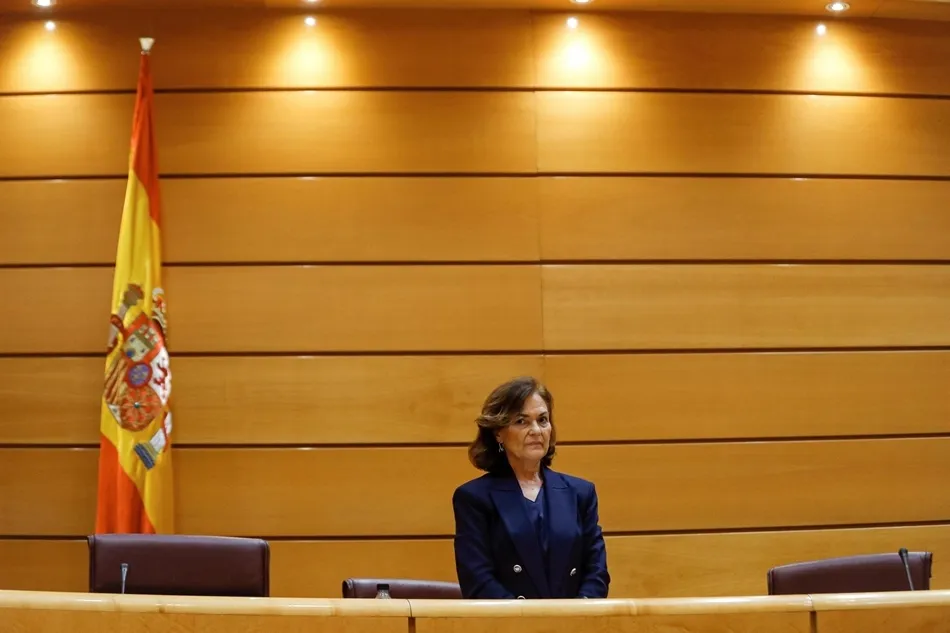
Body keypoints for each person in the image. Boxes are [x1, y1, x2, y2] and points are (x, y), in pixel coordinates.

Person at [451, 376, 610, 599]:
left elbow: (596, 572)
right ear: (498, 433)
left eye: (542, 420)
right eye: (522, 421)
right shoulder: (474, 499)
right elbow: (478, 580)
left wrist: (578, 614)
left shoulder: (580, 493)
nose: (536, 430)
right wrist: (527, 620)